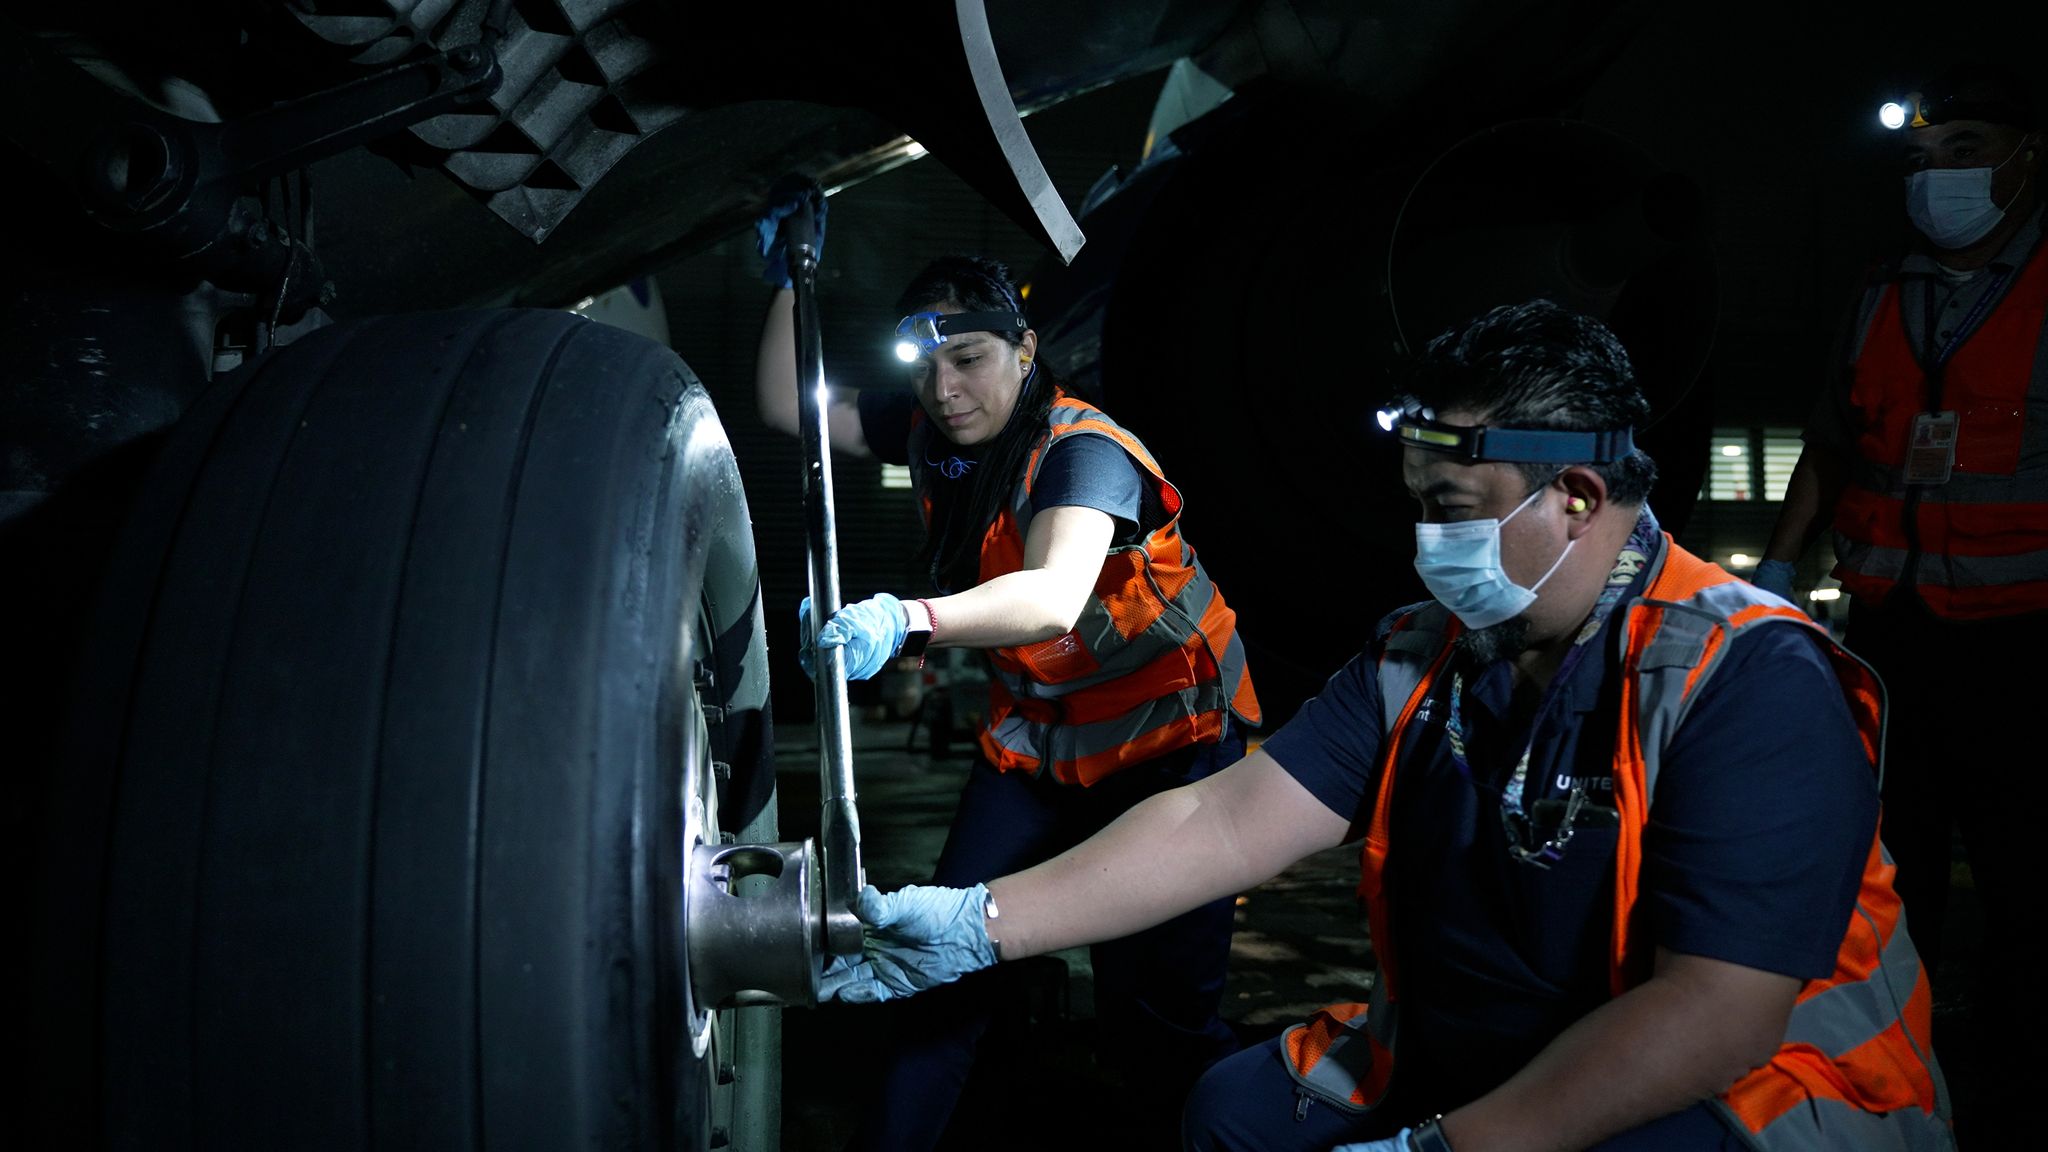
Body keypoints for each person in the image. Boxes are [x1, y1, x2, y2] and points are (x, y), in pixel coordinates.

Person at [818, 299, 1954, 1152]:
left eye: (1452, 512)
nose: (1427, 543)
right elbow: (1224, 820)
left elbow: (1717, 1015)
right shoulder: (1426, 649)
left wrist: (1450, 1148)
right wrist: (977, 921)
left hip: (1750, 1088)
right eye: (1420, 508)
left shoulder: (1744, 673)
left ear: (1572, 497)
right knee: (1231, 1114)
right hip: (1479, 1036)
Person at [750, 181, 1262, 1150]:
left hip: (1170, 754)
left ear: (1025, 351)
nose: (945, 388)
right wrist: (787, 281)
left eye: (971, 358)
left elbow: (1050, 596)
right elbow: (787, 405)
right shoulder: (932, 434)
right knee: (938, 964)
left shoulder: (1082, 453)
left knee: (1154, 1009)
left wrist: (901, 620)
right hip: (1034, 751)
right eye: (928, 363)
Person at [1753, 60, 2042, 1147]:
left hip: (2025, 645)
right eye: (1919, 161)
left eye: (1963, 151)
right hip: (1889, 642)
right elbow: (1832, 446)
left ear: (2027, 159)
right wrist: (1778, 570)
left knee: (2027, 891)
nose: (1935, 178)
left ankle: (2014, 1092)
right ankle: (1893, 1083)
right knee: (1884, 876)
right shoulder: (1882, 290)